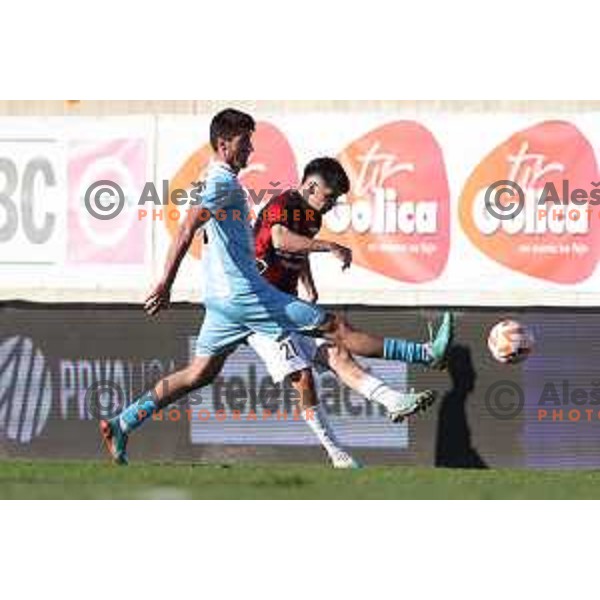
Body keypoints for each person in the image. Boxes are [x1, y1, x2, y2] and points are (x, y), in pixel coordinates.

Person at [100, 108, 453, 465]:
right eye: (244, 143)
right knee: (335, 330)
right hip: (249, 297)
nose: (249, 151)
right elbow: (189, 227)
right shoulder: (222, 182)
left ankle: (123, 422)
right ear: (223, 144)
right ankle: (425, 354)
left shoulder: (220, 182)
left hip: (222, 303)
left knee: (198, 374)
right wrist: (165, 282)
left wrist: (306, 279)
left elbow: (235, 237)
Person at [247, 156, 443, 467]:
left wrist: (307, 285)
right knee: (304, 377)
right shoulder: (283, 202)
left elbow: (298, 250)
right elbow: (280, 238)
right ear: (310, 186)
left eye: (335, 199)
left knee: (338, 353)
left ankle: (393, 400)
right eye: (329, 196)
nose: (330, 204)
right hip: (255, 309)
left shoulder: (311, 217)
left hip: (283, 304)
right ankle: (336, 453)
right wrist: (329, 246)